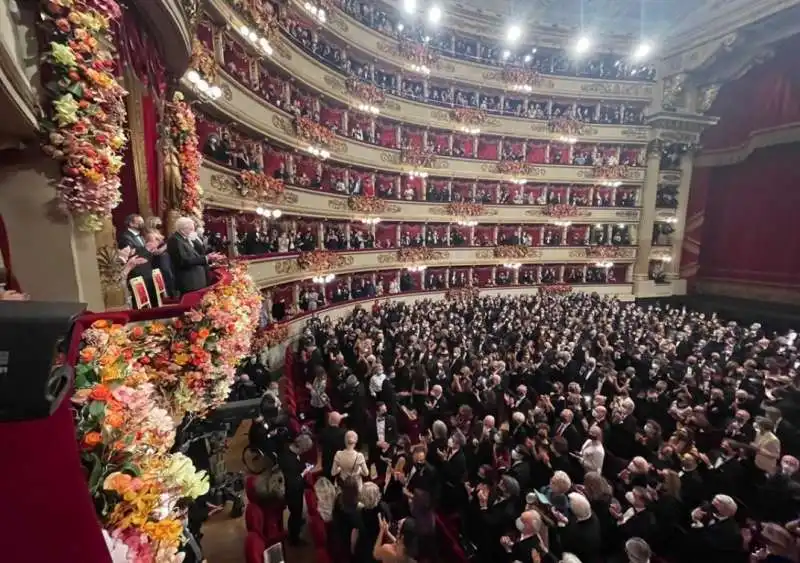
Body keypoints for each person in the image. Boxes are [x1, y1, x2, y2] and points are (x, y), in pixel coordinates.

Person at [166, 217, 224, 295]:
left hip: (195, 281)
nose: (193, 232)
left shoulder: (183, 239)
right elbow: (183, 261)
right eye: (191, 229)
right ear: (182, 229)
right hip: (189, 282)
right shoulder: (175, 240)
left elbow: (193, 257)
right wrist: (206, 258)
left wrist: (208, 257)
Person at [277, 433, 314, 546]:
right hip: (292, 492)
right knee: (295, 513)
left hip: (295, 487)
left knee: (297, 513)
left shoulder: (287, 449)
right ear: (301, 448)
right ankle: (294, 538)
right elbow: (293, 482)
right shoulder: (290, 461)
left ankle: (297, 524)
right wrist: (304, 473)